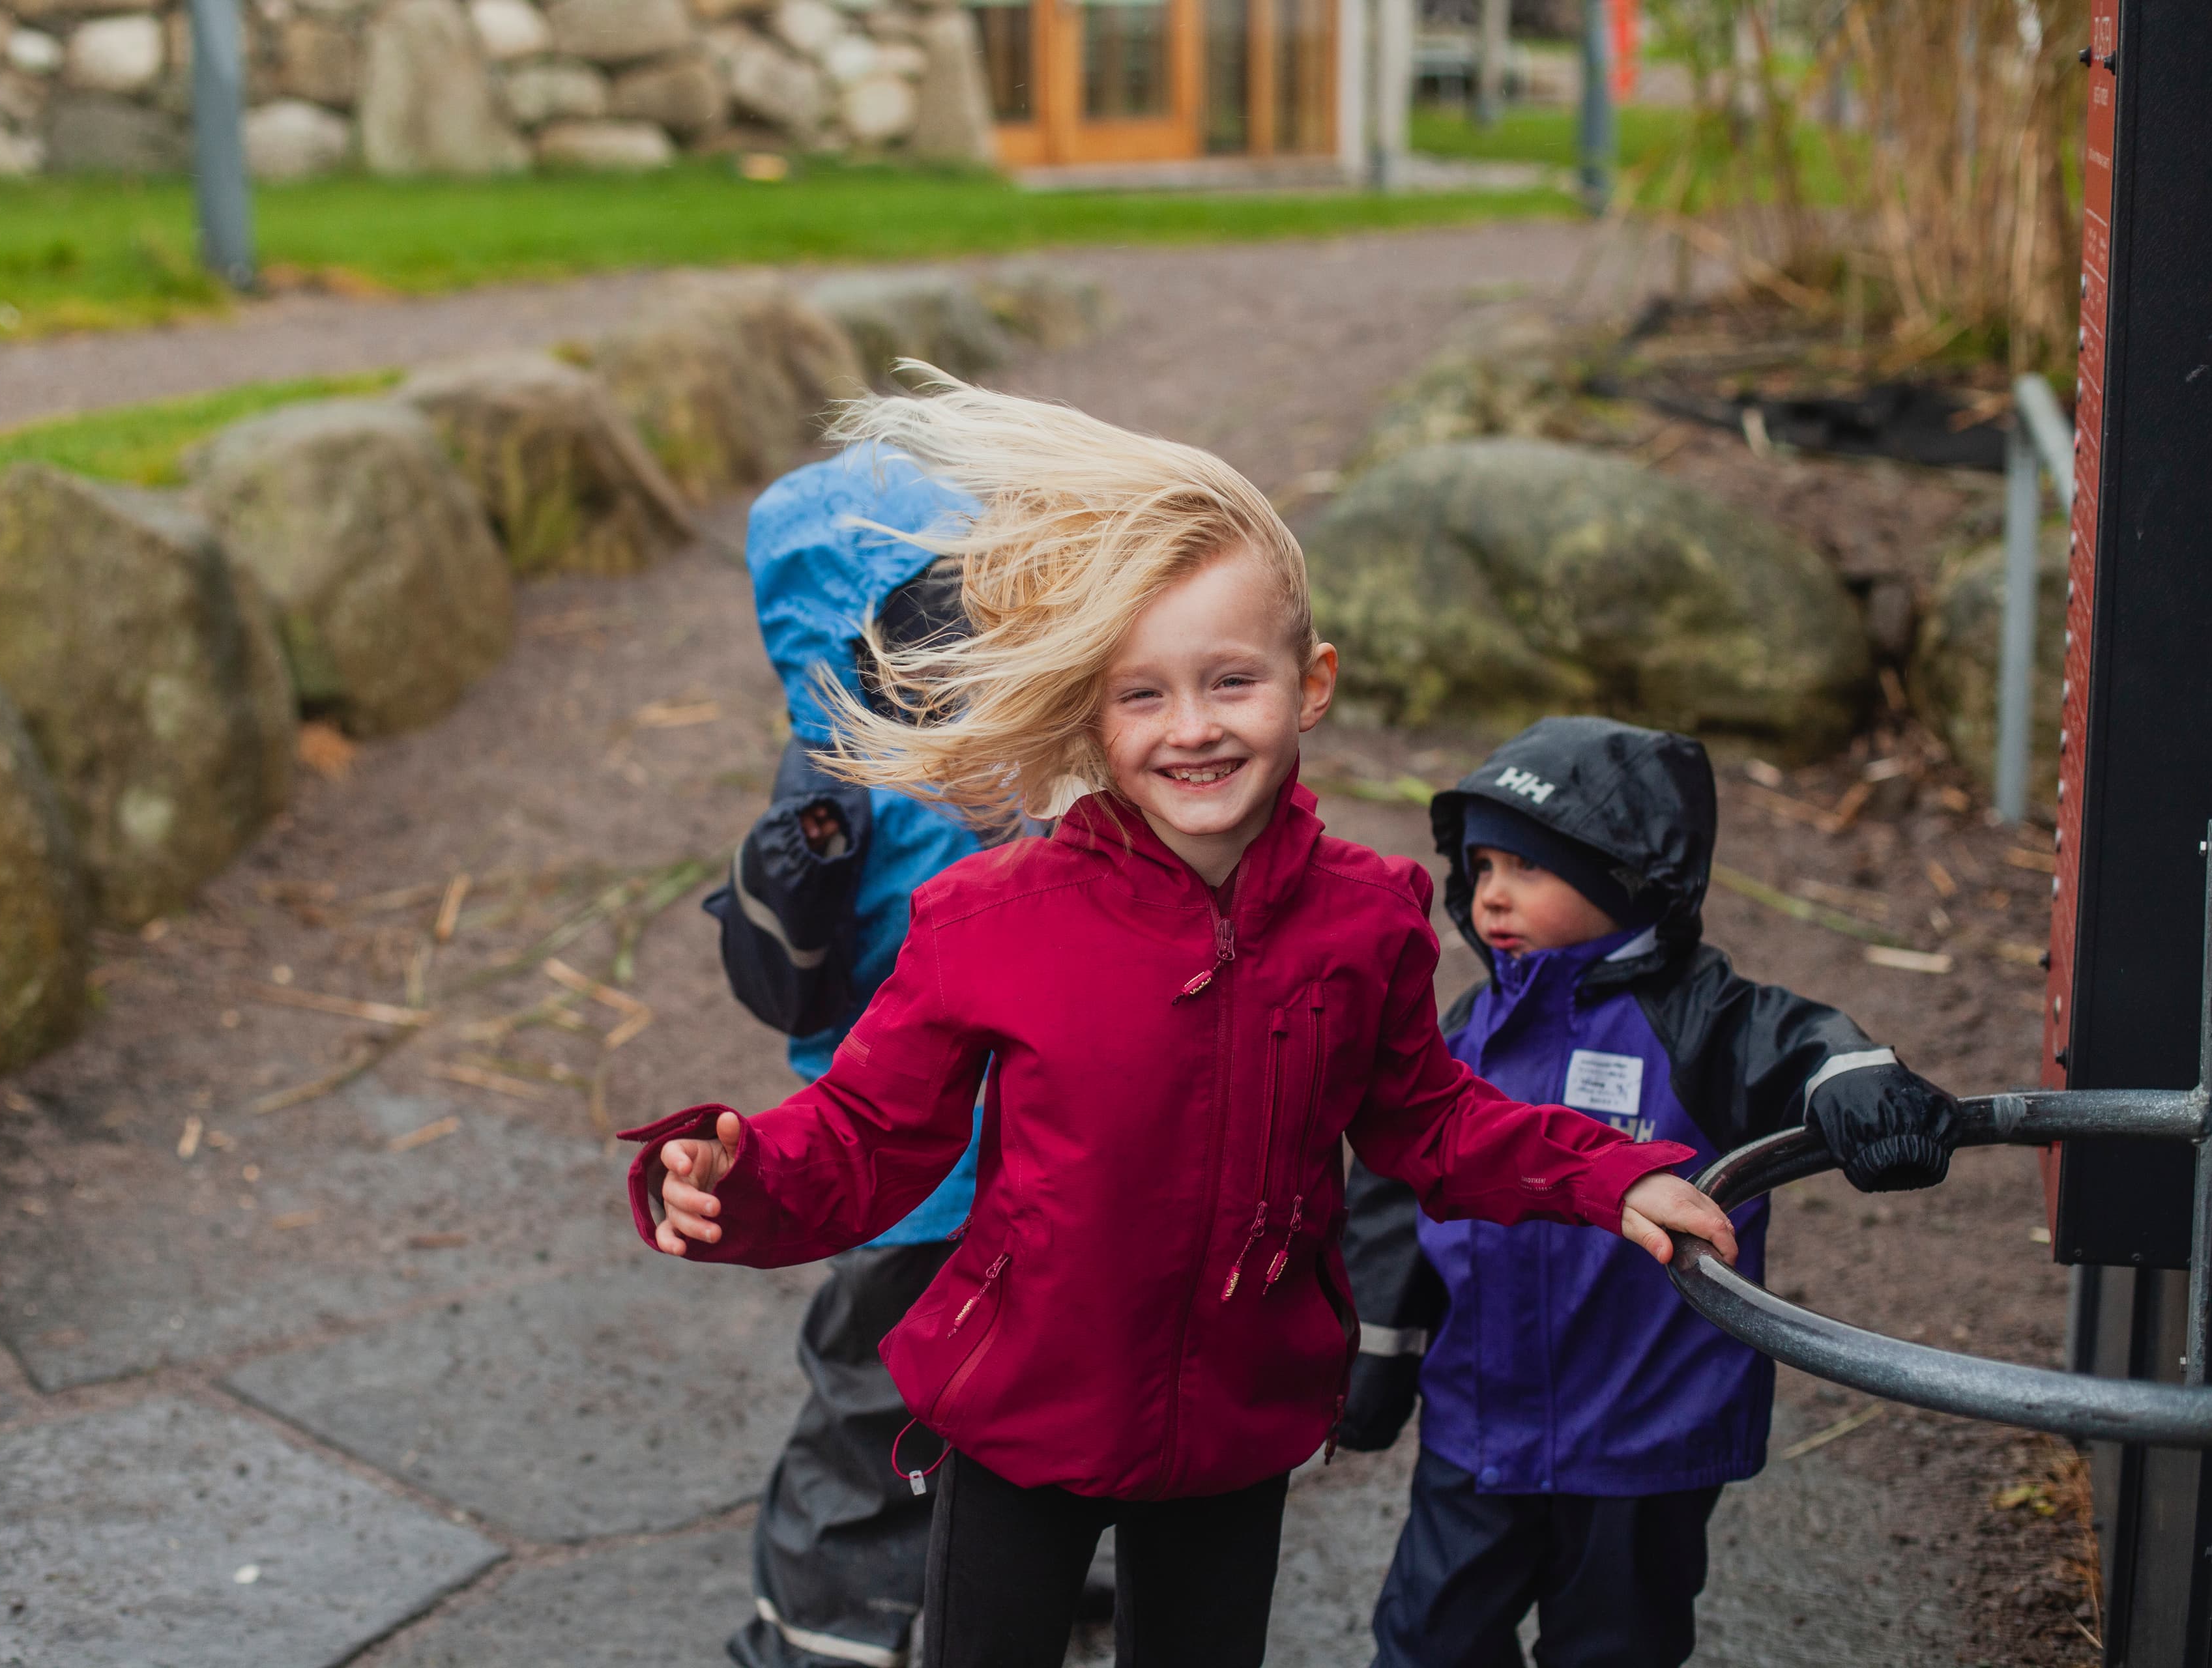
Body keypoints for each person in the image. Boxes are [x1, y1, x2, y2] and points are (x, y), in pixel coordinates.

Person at [624, 375, 1738, 1668]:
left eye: (1230, 680)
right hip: (1023, 1399)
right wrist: (736, 1176)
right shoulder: (986, 917)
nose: (1194, 727)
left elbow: (1426, 1113)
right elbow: (874, 1129)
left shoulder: (1366, 915)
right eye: (1142, 693)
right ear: (1085, 709)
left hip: (1238, 1410)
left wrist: (1612, 1178)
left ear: (1308, 682)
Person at [1336, 716, 1962, 1668]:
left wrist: (1861, 1086)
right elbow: (1396, 1189)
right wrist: (1375, 1352)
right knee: (1428, 1640)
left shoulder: (1702, 1018)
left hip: (1640, 1436)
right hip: (1478, 1426)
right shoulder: (1469, 1027)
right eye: (1483, 867)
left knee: (1615, 1649)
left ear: (1624, 876)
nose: (1492, 894)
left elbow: (1808, 1046)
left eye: (1527, 869)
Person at [702, 441, 997, 1668]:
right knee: (877, 1398)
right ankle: (815, 1629)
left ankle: (990, 1568)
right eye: (925, 618)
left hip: (1035, 1143)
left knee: (1015, 1373)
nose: (959, 639)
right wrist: (801, 863)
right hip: (909, 1166)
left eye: (971, 605)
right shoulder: (837, 781)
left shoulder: (1010, 741)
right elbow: (776, 981)